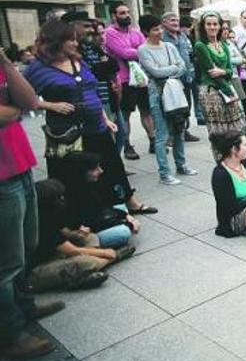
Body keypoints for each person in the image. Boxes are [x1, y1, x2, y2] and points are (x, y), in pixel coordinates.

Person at [26, 20, 156, 215]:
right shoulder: (38, 68)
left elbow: (92, 91)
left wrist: (105, 118)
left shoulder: (77, 61)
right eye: (70, 40)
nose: (75, 43)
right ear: (55, 41)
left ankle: (128, 201)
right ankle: (87, 214)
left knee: (112, 164)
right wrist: (50, 105)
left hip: (96, 125)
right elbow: (21, 98)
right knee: (78, 174)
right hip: (69, 132)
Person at [0, 51, 65, 359]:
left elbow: (28, 101)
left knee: (27, 247)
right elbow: (14, 112)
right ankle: (11, 334)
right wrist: (14, 109)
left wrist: (6, 62)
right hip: (1, 178)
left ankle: (24, 308)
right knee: (6, 263)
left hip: (20, 165)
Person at [26, 178, 124, 293]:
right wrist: (105, 253)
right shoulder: (41, 223)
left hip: (54, 254)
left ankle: (86, 270)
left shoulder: (50, 214)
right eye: (58, 198)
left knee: (90, 238)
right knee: (84, 262)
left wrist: (77, 233)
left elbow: (64, 234)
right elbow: (73, 251)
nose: (62, 200)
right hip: (34, 272)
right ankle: (109, 260)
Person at [137, 14, 198, 185]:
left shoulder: (170, 46)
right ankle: (164, 173)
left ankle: (181, 165)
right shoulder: (143, 50)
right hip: (157, 94)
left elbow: (183, 67)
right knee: (162, 135)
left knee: (179, 129)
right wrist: (172, 69)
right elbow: (154, 72)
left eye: (159, 28)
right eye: (155, 29)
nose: (159, 32)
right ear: (145, 32)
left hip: (175, 92)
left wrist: (167, 70)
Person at [193, 11, 246, 162]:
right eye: (208, 24)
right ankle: (223, 162)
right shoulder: (200, 46)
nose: (212, 27)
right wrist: (227, 86)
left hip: (227, 88)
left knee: (239, 125)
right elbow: (211, 73)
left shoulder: (223, 44)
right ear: (203, 26)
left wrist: (223, 72)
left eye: (215, 24)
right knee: (219, 131)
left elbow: (229, 71)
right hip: (211, 92)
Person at [104, 3, 153, 160]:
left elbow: (144, 48)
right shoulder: (110, 33)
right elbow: (123, 52)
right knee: (125, 114)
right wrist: (140, 51)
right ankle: (127, 144)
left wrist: (137, 51)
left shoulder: (135, 32)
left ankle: (152, 139)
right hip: (124, 78)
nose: (127, 15)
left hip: (140, 78)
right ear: (114, 16)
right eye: (122, 13)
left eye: (128, 12)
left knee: (146, 110)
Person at [79, 19, 128, 155]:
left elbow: (113, 67)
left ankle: (116, 162)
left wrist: (106, 65)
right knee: (111, 134)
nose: (101, 37)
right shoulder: (88, 52)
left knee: (121, 133)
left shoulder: (103, 51)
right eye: (97, 34)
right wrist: (105, 66)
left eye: (103, 33)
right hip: (101, 97)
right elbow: (97, 72)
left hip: (112, 95)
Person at [162, 12, 201, 141]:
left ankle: (184, 130)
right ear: (164, 22)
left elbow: (189, 53)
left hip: (187, 76)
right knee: (172, 106)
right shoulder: (162, 38)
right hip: (172, 78)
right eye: (172, 20)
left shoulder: (183, 35)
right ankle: (171, 134)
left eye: (177, 20)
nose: (175, 23)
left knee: (186, 105)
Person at [222, 22, 246, 129]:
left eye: (226, 29)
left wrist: (238, 60)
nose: (225, 31)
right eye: (223, 28)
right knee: (231, 103)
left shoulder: (230, 44)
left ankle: (243, 121)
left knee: (242, 100)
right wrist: (237, 60)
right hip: (227, 77)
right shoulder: (220, 44)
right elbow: (227, 60)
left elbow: (239, 58)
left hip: (236, 75)